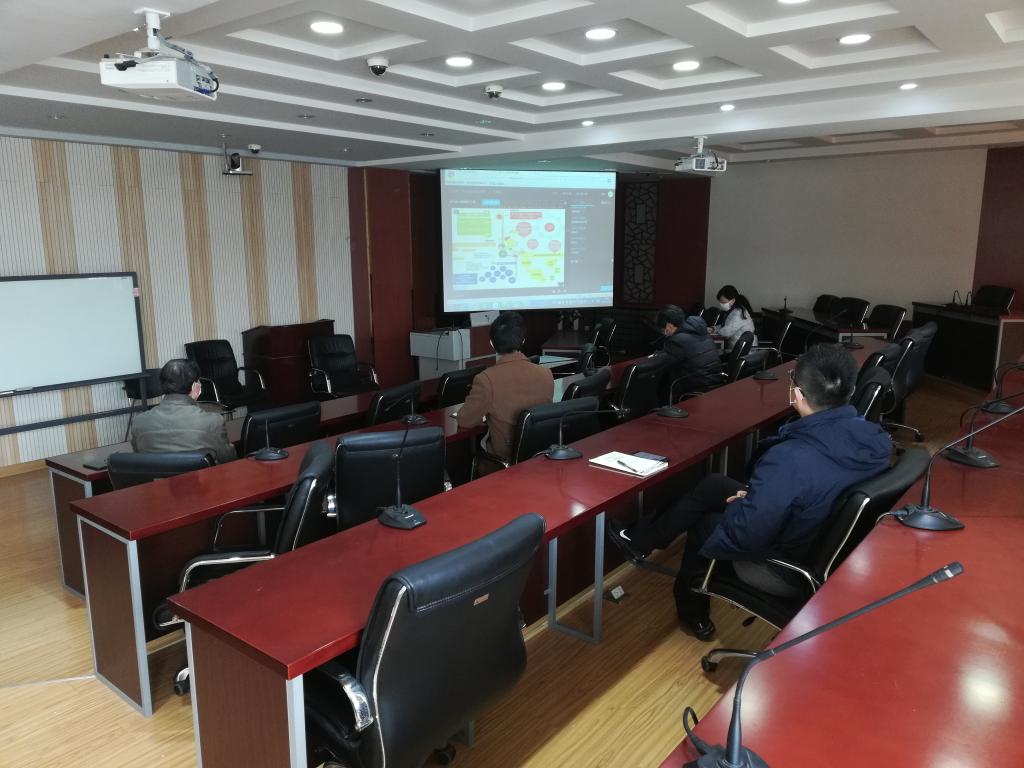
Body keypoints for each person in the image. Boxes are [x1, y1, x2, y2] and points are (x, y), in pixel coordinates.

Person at [608, 343, 892, 640]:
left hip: (786, 568)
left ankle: (693, 612)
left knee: (707, 524)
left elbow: (747, 534)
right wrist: (757, 498)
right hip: (823, 540)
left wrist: (746, 504)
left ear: (797, 394)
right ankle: (640, 540)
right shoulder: (874, 438)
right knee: (714, 485)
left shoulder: (791, 458)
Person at [456, 312, 554, 462]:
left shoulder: (486, 380)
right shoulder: (546, 374)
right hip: (539, 459)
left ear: (492, 343)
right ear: (523, 340)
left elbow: (465, 420)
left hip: (503, 463)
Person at [130, 359, 237, 464]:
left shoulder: (139, 422)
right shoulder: (213, 421)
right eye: (199, 381)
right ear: (195, 386)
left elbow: (139, 460)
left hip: (158, 475)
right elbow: (228, 459)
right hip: (201, 476)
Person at [658, 304, 722, 397]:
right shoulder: (701, 331)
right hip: (716, 381)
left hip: (696, 387)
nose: (663, 332)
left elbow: (663, 363)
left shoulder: (676, 340)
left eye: (662, 329)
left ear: (669, 326)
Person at [714, 285, 757, 352]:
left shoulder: (739, 313)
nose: (721, 304)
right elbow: (725, 325)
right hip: (735, 346)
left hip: (744, 350)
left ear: (733, 300)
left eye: (723, 302)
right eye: (720, 302)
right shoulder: (733, 311)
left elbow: (726, 332)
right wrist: (713, 329)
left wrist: (713, 332)